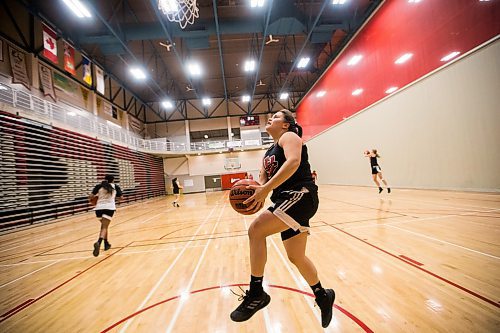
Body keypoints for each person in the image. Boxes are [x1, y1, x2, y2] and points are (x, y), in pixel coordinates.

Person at [230, 109, 335, 328]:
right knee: (296, 256)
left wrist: (266, 189)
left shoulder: (289, 137)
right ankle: (323, 295)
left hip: (300, 194)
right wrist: (254, 191)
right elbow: (261, 182)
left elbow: (294, 162)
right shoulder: (268, 151)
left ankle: (256, 292)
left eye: (277, 117)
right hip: (287, 200)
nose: (271, 118)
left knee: (255, 230)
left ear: (286, 124)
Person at [88, 175, 123, 257]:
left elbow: (90, 197)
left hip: (98, 209)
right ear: (113, 180)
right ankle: (99, 242)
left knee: (104, 226)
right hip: (109, 208)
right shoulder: (115, 186)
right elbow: (121, 198)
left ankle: (106, 243)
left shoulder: (99, 186)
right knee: (104, 227)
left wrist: (94, 200)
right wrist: (113, 198)